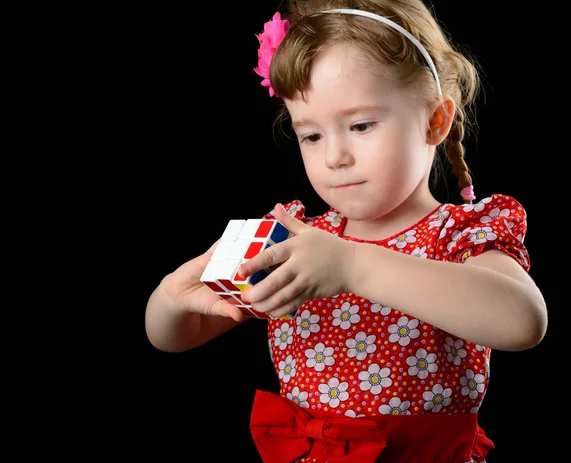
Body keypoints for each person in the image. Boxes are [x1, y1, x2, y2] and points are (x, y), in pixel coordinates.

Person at [145, 1, 548, 461]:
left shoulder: (460, 233)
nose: (335, 156)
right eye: (312, 135)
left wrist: (353, 265)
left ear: (435, 120)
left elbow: (523, 321)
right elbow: (177, 335)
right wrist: (172, 298)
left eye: (360, 125)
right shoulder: (296, 238)